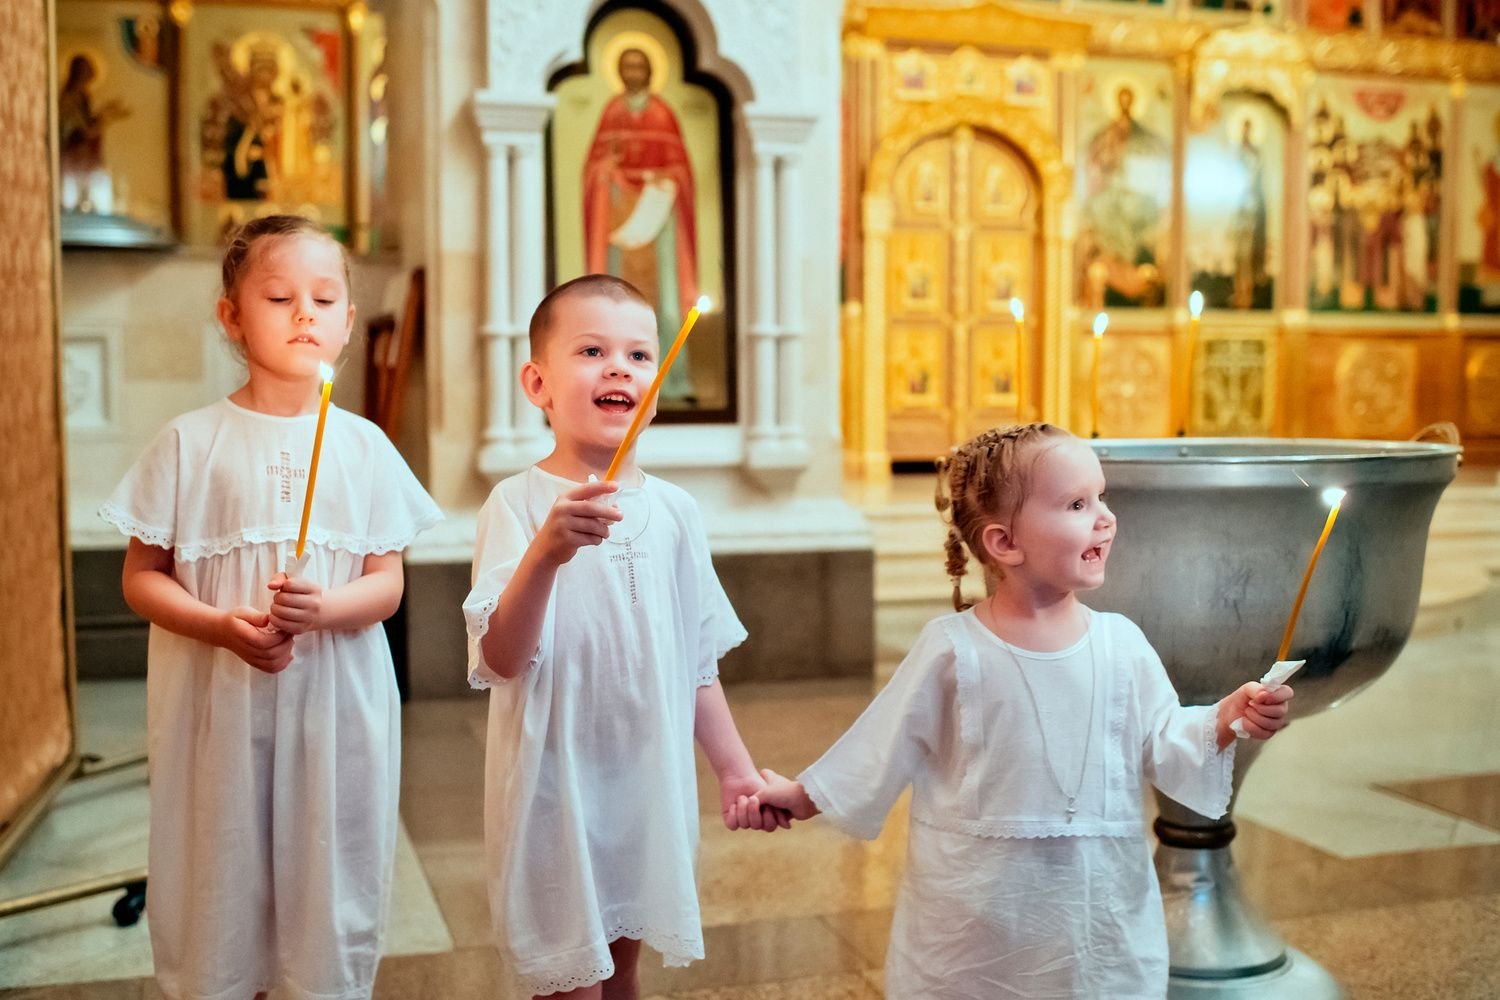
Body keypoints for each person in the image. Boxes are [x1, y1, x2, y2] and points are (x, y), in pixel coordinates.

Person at [756, 423, 1294, 998]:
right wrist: (801, 795)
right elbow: (881, 744)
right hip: (977, 922)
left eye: (1102, 497)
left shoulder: (1121, 643)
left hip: (1095, 913)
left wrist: (1225, 718)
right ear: (1004, 543)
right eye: (1077, 503)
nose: (1105, 517)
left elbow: (1162, 739)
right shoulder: (954, 648)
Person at [101, 214, 442, 1000]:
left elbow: (385, 584)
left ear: (348, 323)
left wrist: (322, 610)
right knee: (223, 861)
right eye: (280, 296)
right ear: (231, 315)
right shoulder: (190, 443)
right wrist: (220, 627)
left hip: (332, 706)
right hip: (217, 709)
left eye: (325, 300)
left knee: (325, 858)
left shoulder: (363, 447)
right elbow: (142, 578)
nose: (304, 316)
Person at [463, 274, 784, 998]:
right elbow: (501, 658)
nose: (620, 368)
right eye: (592, 350)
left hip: (646, 783)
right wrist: (545, 553)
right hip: (555, 786)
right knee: (569, 978)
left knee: (623, 967)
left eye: (641, 355)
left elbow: (695, 662)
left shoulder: (674, 511)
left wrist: (735, 770)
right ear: (537, 383)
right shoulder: (516, 505)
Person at [582, 47, 698, 404]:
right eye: (627, 65)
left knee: (663, 303)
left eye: (640, 65)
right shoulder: (612, 112)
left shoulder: (662, 114)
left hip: (657, 219)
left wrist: (657, 179)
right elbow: (592, 170)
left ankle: (672, 381)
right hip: (620, 220)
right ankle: (617, 387)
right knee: (617, 303)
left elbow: (682, 172)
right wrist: (608, 172)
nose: (634, 71)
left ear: (650, 71)